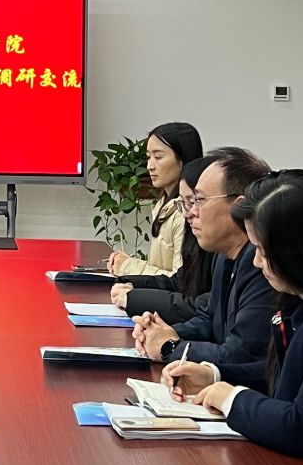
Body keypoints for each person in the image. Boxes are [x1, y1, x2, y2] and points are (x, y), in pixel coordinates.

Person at [161, 171, 303, 456]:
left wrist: (232, 399)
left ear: (300, 250)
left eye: (263, 250)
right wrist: (214, 375)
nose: (256, 261)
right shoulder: (300, 297)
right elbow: (285, 378)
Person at [129, 147, 274, 381]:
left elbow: (240, 355)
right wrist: (163, 332)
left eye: (199, 200)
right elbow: (209, 320)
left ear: (238, 206)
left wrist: (170, 347)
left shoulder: (261, 265)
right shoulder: (224, 255)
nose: (190, 213)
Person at [110, 154, 215, 321]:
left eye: (195, 201)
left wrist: (134, 297)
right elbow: (179, 281)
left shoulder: (231, 254)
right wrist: (130, 282)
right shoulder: (168, 210)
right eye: (184, 203)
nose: (189, 213)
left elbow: (202, 309)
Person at [105, 121, 202, 279]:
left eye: (158, 157)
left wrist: (127, 266)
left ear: (182, 161)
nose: (150, 166)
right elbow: (161, 269)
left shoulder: (186, 212)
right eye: (149, 157)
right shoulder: (163, 204)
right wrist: (127, 263)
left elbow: (180, 281)